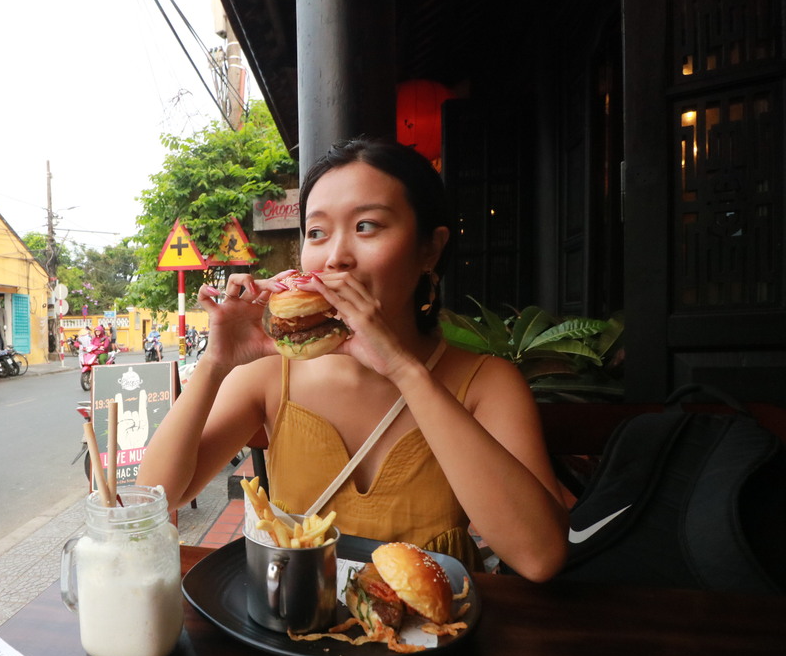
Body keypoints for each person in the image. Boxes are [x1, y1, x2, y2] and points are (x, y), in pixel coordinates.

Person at [136, 138, 568, 581]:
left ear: (430, 249)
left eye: (366, 226)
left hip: (433, 618)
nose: (335, 257)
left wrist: (403, 370)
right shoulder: (269, 374)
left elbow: (539, 557)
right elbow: (158, 496)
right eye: (317, 233)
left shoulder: (486, 383)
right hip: (298, 611)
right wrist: (215, 362)